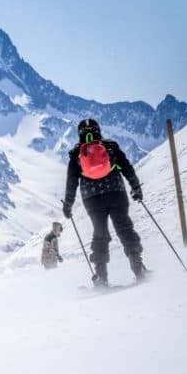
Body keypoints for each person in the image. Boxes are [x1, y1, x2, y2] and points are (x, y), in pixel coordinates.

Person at [62, 118, 148, 286]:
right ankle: (138, 269)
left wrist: (68, 204)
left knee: (100, 234)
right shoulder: (111, 147)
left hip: (92, 199)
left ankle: (101, 278)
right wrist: (136, 187)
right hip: (116, 193)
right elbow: (127, 167)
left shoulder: (76, 155)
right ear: (98, 130)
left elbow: (71, 182)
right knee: (125, 229)